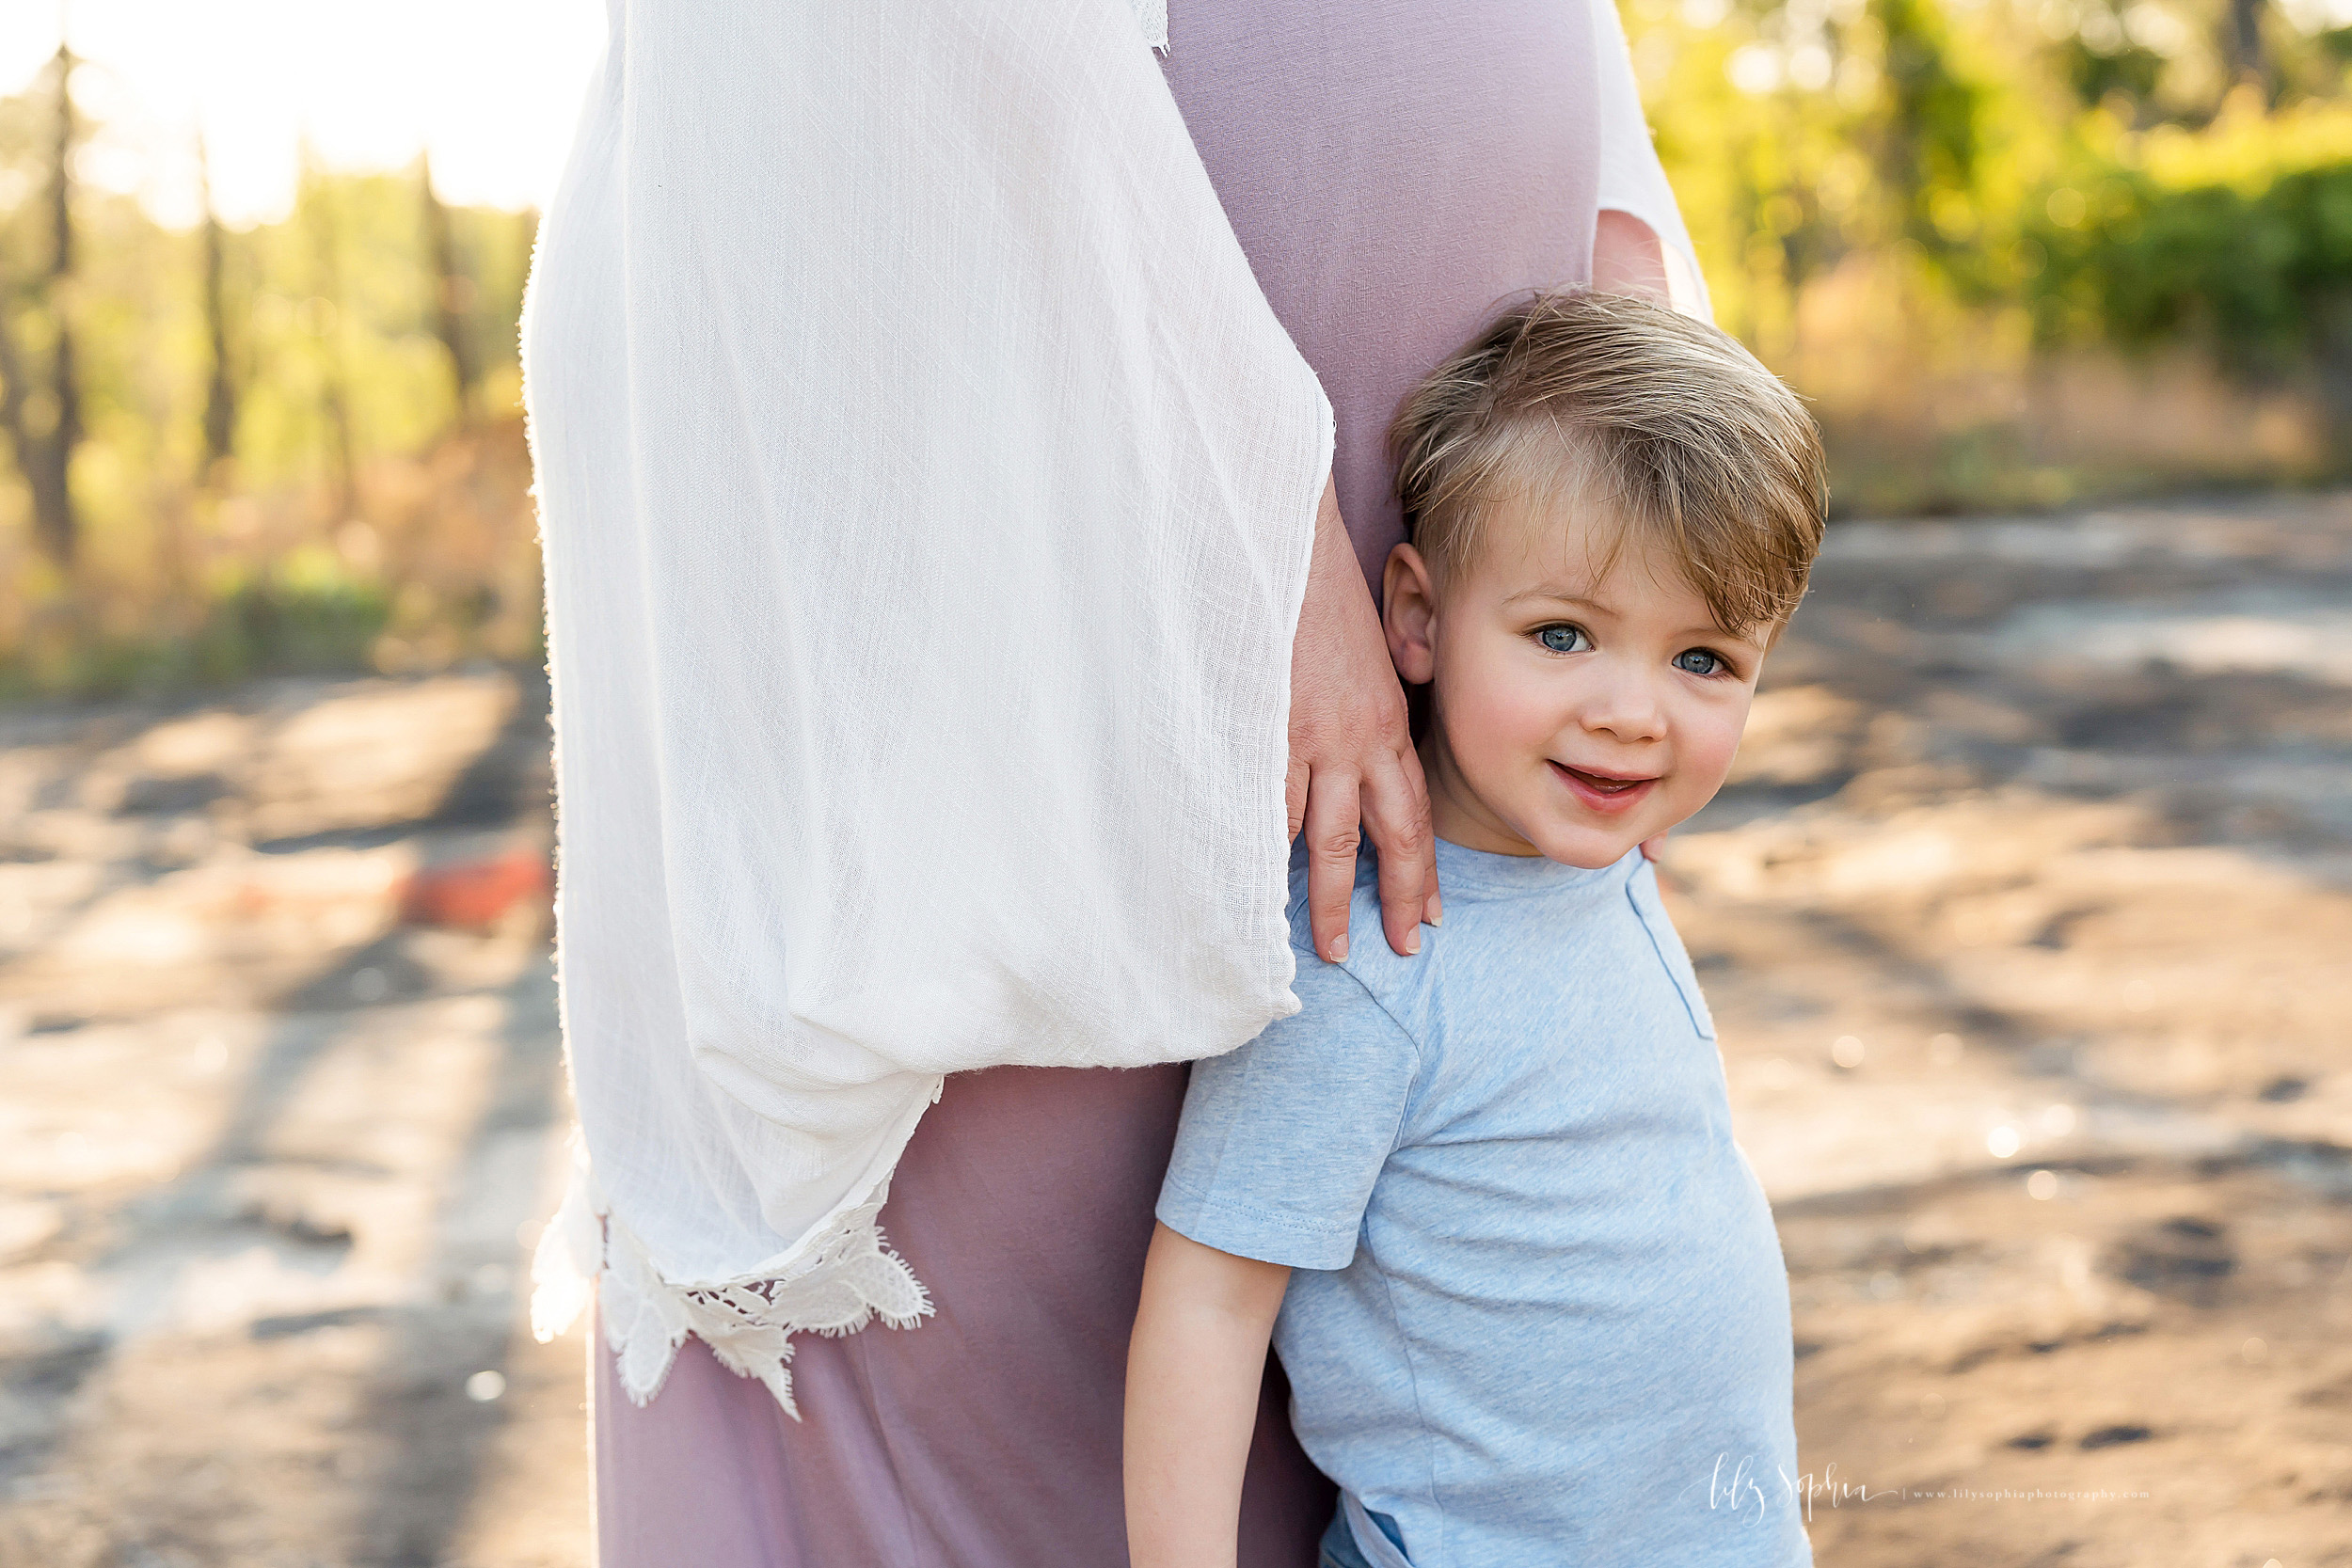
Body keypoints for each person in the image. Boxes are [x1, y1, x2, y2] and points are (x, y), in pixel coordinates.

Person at [520, 1, 1719, 1562]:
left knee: (1419, 1270)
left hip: (1455, 420)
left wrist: (1637, 386)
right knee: (1036, 1274)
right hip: (1052, 405)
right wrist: (1257, 557)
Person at [1124, 290, 1828, 1568]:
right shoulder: (1370, 960)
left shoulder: (1604, 866)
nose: (1633, 714)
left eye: (1705, 660)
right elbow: (1212, 1303)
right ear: (1416, 618)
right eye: (1562, 635)